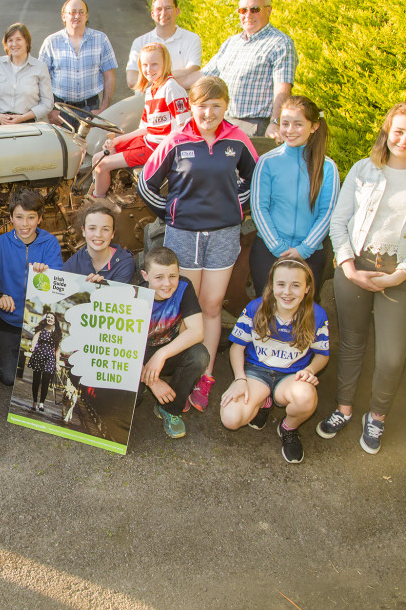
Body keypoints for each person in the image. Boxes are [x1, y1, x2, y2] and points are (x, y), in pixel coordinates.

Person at [319, 102, 406, 454]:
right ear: (386, 133)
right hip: (355, 267)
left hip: (399, 274)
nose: (403, 139)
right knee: (351, 342)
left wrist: (398, 277)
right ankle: (344, 408)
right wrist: (347, 266)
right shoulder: (364, 170)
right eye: (398, 131)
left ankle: (376, 416)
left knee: (391, 356)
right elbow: (339, 222)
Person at [137, 76, 258, 411]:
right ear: (191, 105)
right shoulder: (177, 139)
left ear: (225, 107)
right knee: (185, 307)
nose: (208, 112)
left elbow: (255, 177)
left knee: (212, 305)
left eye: (216, 106)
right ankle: (182, 373)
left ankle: (205, 377)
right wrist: (172, 212)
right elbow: (147, 183)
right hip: (184, 234)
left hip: (222, 234)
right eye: (202, 105)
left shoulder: (236, 140)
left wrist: (236, 204)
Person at [221, 257, 329, 463]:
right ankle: (264, 400)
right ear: (271, 285)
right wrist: (240, 380)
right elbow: (237, 348)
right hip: (257, 372)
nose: (287, 292)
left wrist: (311, 370)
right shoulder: (255, 308)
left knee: (306, 397)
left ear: (307, 288)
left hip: (290, 376)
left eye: (296, 285)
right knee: (231, 418)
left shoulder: (316, 314)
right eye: (281, 284)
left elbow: (322, 355)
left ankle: (288, 427)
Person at [250, 95, 338, 297]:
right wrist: (278, 247)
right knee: (267, 310)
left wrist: (304, 250)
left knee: (303, 314)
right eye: (285, 123)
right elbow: (259, 207)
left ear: (314, 126)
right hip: (269, 251)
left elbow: (327, 212)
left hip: (310, 253)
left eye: (298, 124)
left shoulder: (328, 167)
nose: (290, 130)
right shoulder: (267, 162)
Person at [92, 43, 190, 197]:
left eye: (154, 64)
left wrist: (167, 149)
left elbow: (185, 127)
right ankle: (98, 192)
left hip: (159, 148)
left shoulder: (171, 88)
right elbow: (145, 128)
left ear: (165, 64)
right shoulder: (151, 90)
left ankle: (99, 202)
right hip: (147, 141)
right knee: (98, 157)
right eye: (145, 65)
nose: (149, 69)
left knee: (102, 165)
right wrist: (118, 141)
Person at [0, 187, 62, 386]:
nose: (25, 224)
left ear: (40, 219)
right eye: (19, 217)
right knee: (8, 378)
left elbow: (56, 282)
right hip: (9, 320)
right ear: (11, 218)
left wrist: (45, 274)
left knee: (36, 378)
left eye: (31, 218)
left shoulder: (50, 243)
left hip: (37, 322)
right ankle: (2, 352)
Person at [200, 0, 296, 137]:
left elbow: (283, 90)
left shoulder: (280, 43)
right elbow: (203, 76)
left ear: (269, 10)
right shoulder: (231, 43)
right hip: (224, 122)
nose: (248, 15)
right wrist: (168, 77)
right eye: (243, 10)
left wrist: (276, 123)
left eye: (255, 9)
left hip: (255, 126)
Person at [139, 247, 209, 439]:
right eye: (159, 277)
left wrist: (161, 355)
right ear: (145, 275)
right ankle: (145, 386)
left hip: (167, 353)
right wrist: (152, 381)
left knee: (199, 355)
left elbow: (197, 332)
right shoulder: (135, 294)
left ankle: (171, 409)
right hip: (137, 357)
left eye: (173, 276)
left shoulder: (184, 287)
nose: (167, 284)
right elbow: (121, 347)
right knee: (133, 400)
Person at [38, 0, 117, 128]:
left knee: (89, 148)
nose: (77, 16)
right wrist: (49, 109)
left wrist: (103, 109)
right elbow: (41, 78)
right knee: (62, 148)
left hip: (90, 109)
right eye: (72, 12)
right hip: (60, 110)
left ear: (86, 16)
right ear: (64, 16)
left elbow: (109, 76)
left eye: (81, 12)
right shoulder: (51, 42)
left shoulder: (101, 40)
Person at [125, 0, 201, 90]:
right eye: (159, 9)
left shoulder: (192, 39)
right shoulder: (140, 42)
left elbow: (193, 72)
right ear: (152, 14)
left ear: (177, 11)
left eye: (168, 8)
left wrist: (150, 80)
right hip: (145, 100)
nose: (163, 13)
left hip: (179, 99)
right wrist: (173, 79)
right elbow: (132, 81)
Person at [0, 23, 53, 126]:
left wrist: (23, 118)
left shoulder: (40, 67)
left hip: (28, 124)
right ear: (6, 43)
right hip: (0, 123)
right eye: (10, 40)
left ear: (27, 42)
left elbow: (47, 103)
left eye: (19, 39)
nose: (14, 44)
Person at [60, 204, 135, 284]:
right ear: (84, 231)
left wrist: (100, 288)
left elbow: (119, 295)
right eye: (92, 228)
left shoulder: (124, 263)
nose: (98, 234)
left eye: (105, 229)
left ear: (113, 233)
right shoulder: (72, 265)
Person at [26, 312, 62, 412]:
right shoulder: (41, 330)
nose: (49, 319)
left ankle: (42, 403)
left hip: (50, 358)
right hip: (39, 355)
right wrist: (32, 347)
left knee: (46, 379)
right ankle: (34, 401)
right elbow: (35, 339)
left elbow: (58, 349)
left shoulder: (56, 334)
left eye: (51, 318)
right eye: (48, 317)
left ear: (55, 321)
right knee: (36, 379)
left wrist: (57, 363)